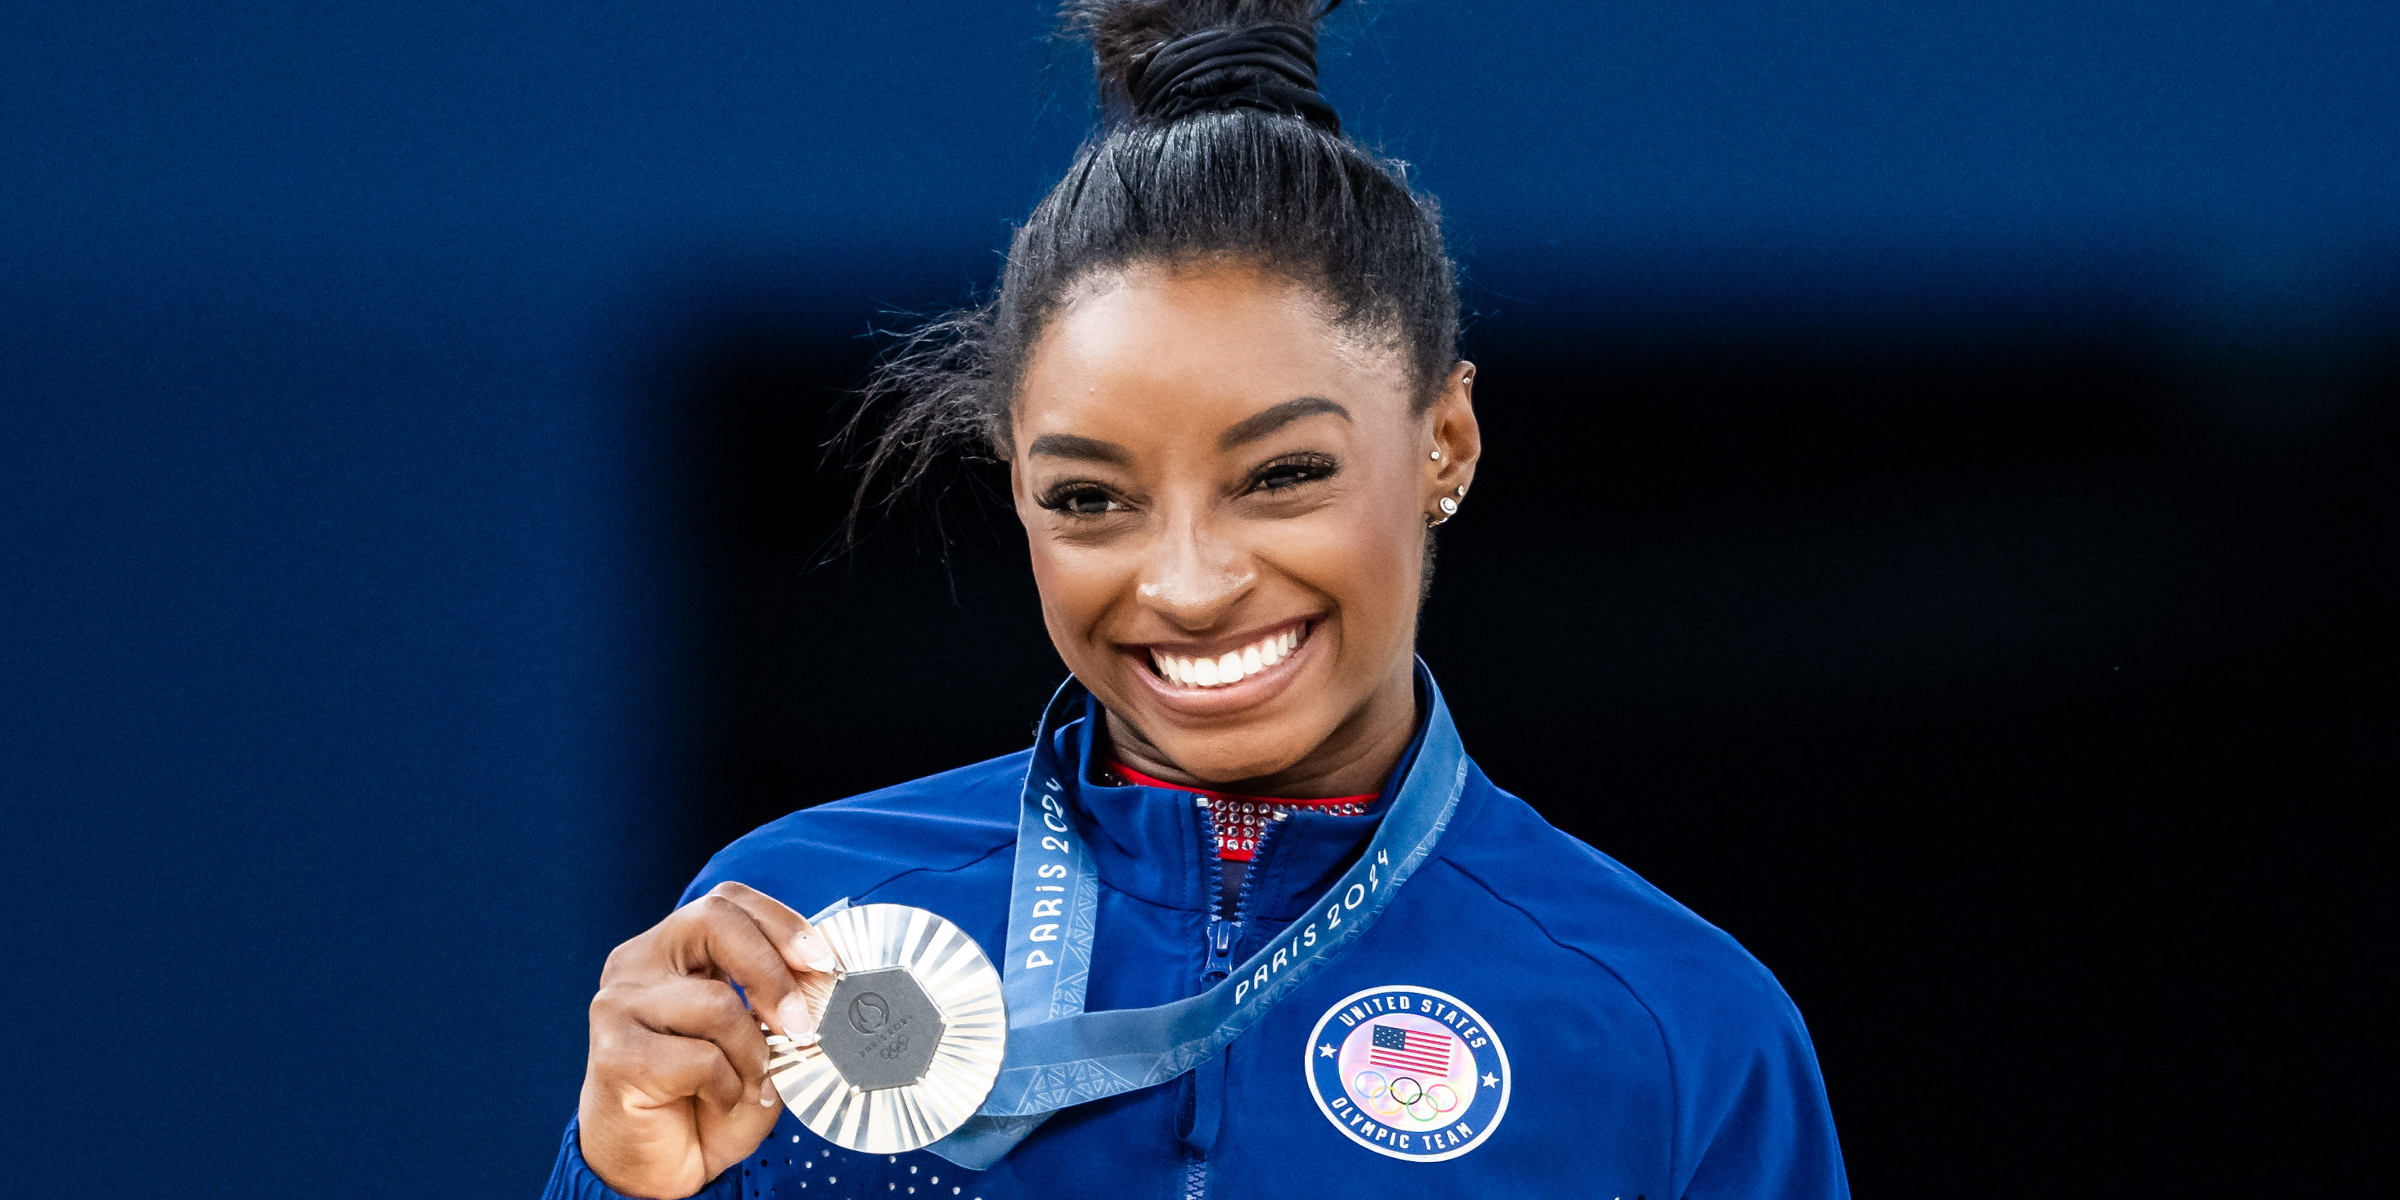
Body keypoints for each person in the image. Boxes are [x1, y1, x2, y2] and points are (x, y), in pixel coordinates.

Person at [544, 1, 1848, 1196]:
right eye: (1091, 499)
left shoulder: (1675, 1027)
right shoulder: (792, 944)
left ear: (1443, 443)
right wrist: (618, 1180)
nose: (1187, 583)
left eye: (1281, 476)